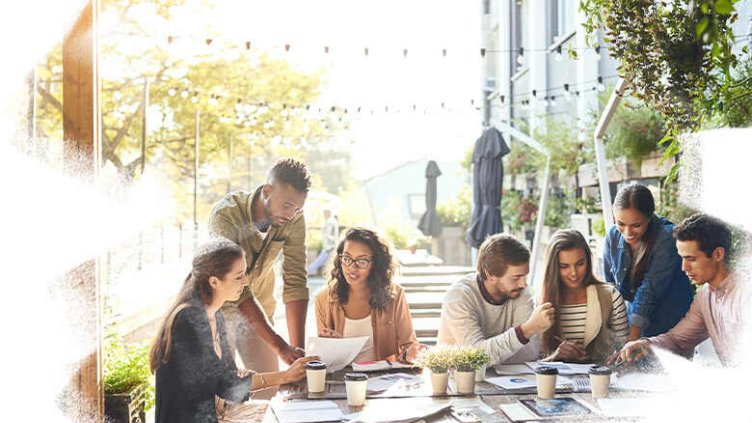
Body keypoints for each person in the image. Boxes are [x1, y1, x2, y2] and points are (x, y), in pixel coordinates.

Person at [150, 239, 317, 423]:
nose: (246, 282)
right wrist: (284, 376)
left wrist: (242, 377)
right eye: (239, 276)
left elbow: (230, 383)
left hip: (216, 415)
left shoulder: (216, 317)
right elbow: (226, 386)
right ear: (214, 281)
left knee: (289, 414)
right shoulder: (188, 320)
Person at [208, 158, 311, 372]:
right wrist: (280, 346)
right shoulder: (225, 215)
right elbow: (236, 285)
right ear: (266, 191)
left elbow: (296, 280)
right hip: (219, 312)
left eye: (297, 209)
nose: (291, 215)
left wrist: (297, 353)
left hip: (259, 311)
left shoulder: (293, 218)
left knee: (270, 388)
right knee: (224, 393)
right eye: (287, 206)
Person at [616, 214, 749, 367]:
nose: (684, 267)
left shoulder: (745, 295)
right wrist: (646, 343)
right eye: (682, 258)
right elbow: (677, 339)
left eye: (691, 259)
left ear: (718, 254)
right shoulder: (705, 296)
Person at [437, 233, 554, 365]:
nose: (523, 284)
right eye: (516, 278)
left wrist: (492, 354)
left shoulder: (521, 292)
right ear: (490, 274)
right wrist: (526, 330)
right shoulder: (459, 297)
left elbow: (530, 353)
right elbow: (476, 356)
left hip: (508, 381)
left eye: (524, 276)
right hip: (456, 380)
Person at [315, 227, 424, 362]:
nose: (352, 267)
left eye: (362, 261)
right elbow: (323, 358)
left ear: (376, 264)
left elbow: (408, 345)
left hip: (384, 377)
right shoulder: (324, 298)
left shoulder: (395, 295)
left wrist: (411, 354)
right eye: (347, 258)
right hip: (342, 379)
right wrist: (335, 346)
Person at [603, 184, 694, 340]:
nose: (628, 232)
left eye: (636, 225)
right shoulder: (612, 235)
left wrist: (631, 342)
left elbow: (649, 291)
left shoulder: (667, 237)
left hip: (670, 323)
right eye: (621, 223)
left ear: (649, 216)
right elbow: (610, 286)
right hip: (632, 320)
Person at [540, 229, 629, 363]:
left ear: (588, 260)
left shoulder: (610, 296)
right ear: (553, 268)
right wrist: (555, 356)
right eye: (564, 266)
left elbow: (625, 352)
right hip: (555, 381)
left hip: (600, 379)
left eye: (580, 264)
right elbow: (535, 362)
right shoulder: (541, 302)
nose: (574, 273)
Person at [307, 208, 338, 276]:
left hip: (329, 247)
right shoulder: (332, 221)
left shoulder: (330, 222)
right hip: (330, 247)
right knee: (326, 262)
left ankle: (307, 271)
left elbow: (329, 235)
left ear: (328, 213)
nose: (324, 215)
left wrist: (331, 244)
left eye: (324, 213)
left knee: (319, 261)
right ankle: (308, 271)